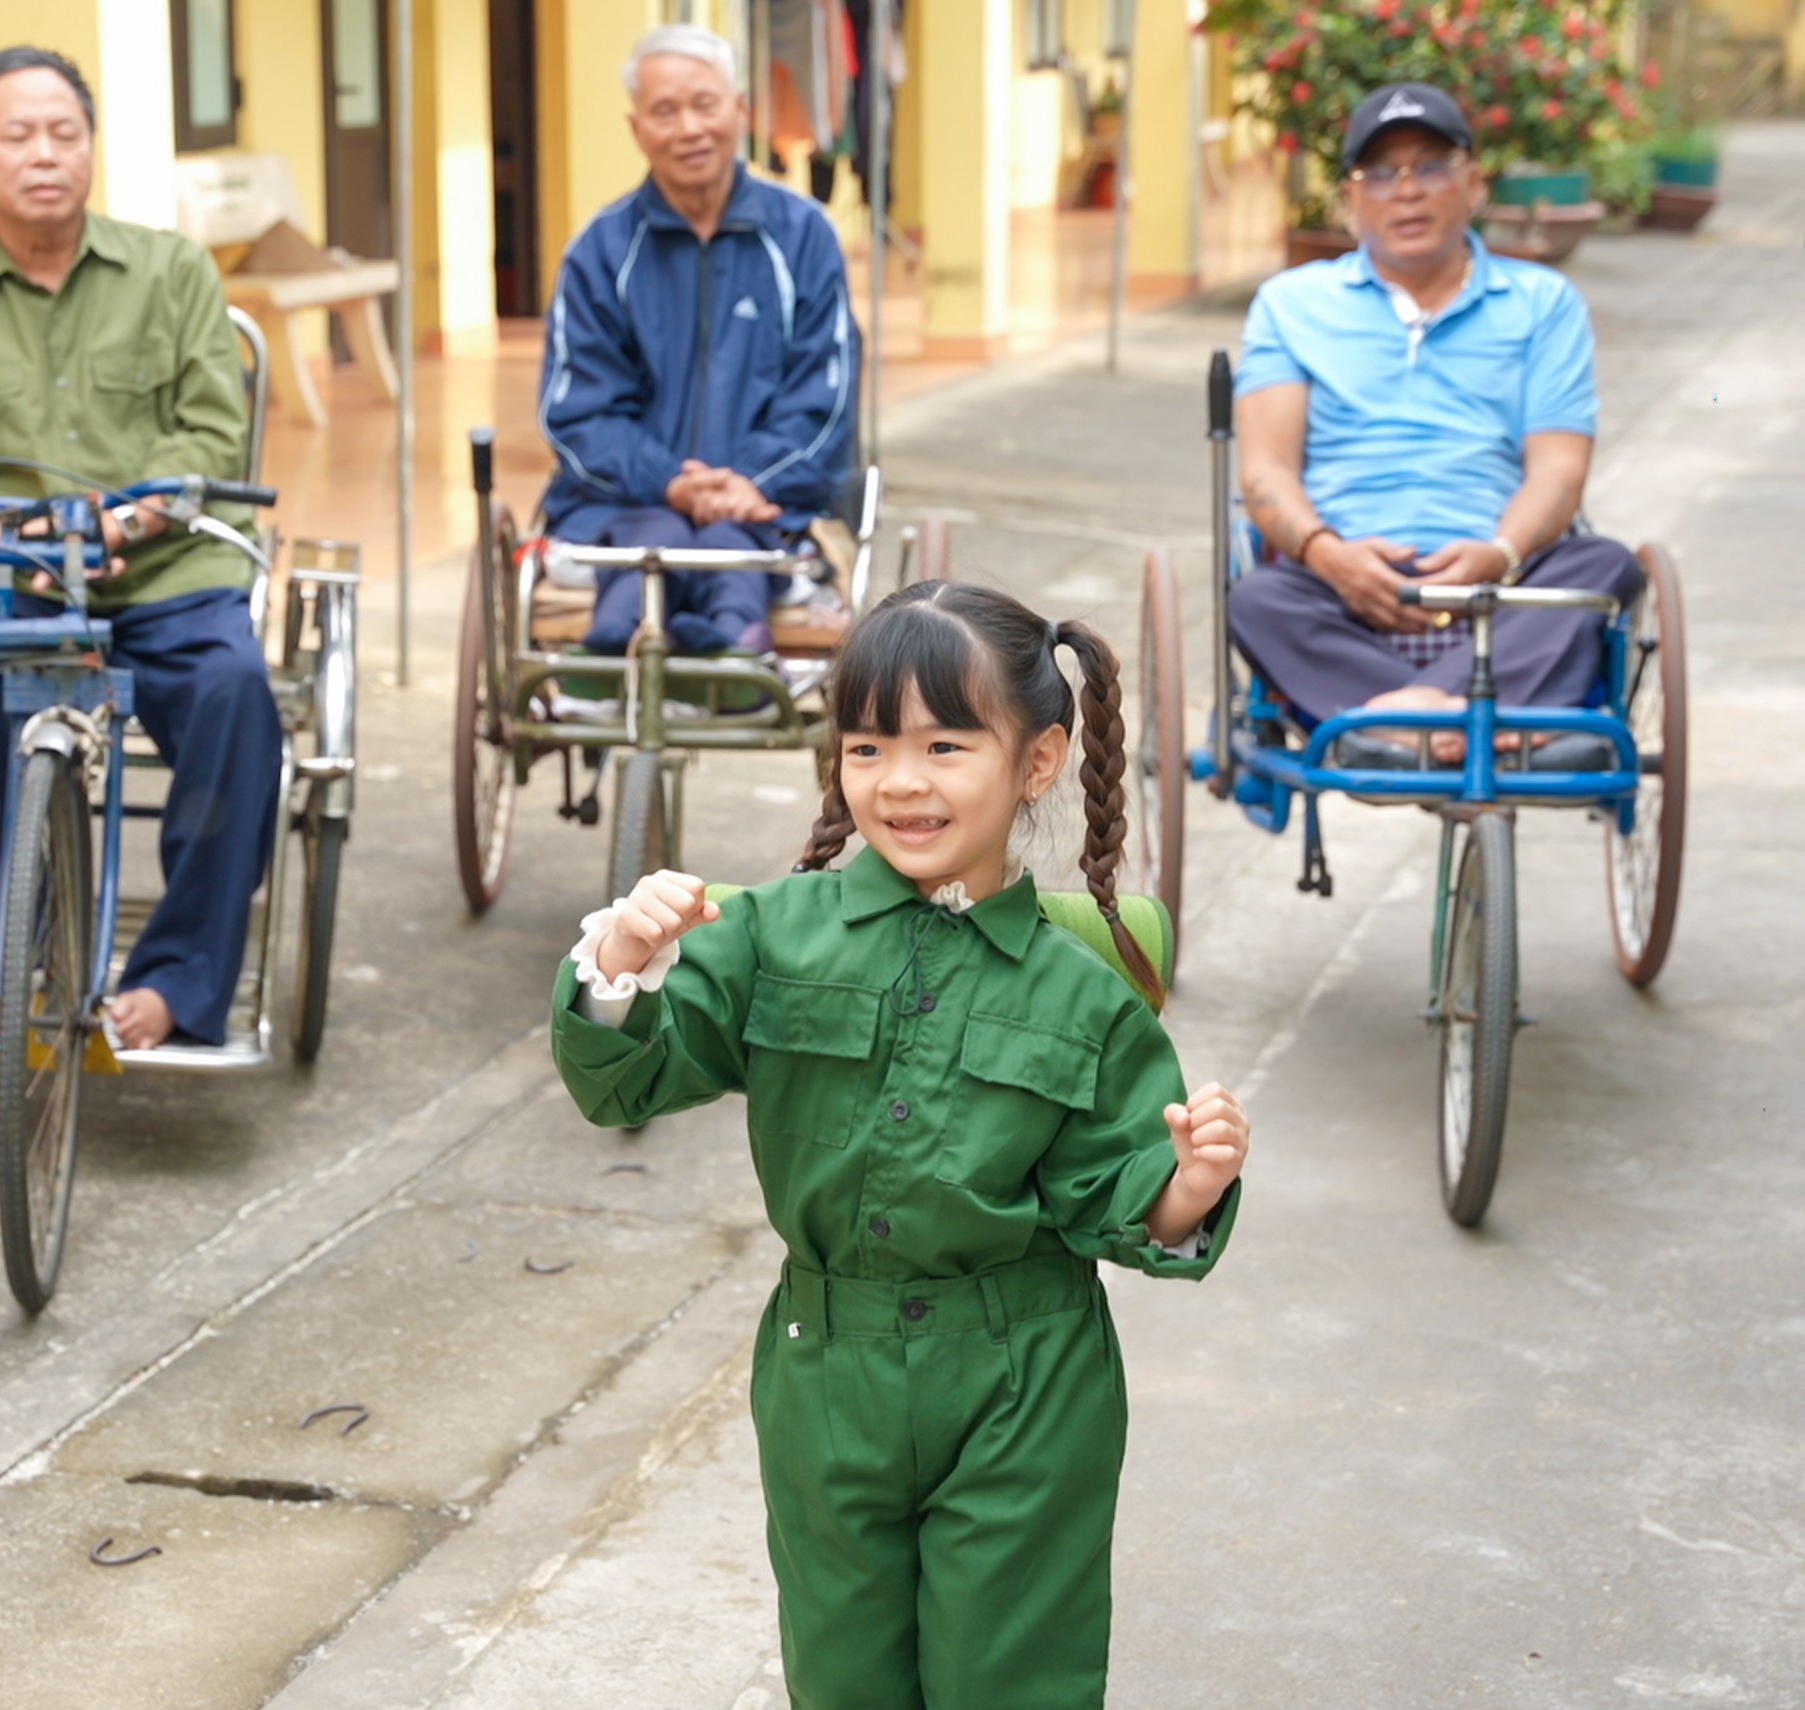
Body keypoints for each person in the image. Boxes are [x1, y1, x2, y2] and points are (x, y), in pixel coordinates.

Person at [550, 580, 1250, 1708]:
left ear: (1036, 762)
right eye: (867, 745)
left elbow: (1118, 1204)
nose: (901, 781)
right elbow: (627, 1075)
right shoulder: (772, 934)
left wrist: (1191, 1181)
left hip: (1025, 1378)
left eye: (943, 744)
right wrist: (624, 966)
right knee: (842, 1678)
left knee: (1009, 1679)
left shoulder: (1085, 993)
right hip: (827, 1367)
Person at [0, 46, 279, 1051]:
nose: (45, 154)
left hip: (165, 573)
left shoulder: (172, 271)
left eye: (66, 132)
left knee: (235, 695)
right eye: (18, 135)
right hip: (7, 581)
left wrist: (124, 521)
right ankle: (4, 961)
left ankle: (179, 979)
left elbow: (208, 433)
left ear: (91, 148)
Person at [1229, 82, 1643, 763]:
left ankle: (1396, 721)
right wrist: (1333, 559)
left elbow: (1560, 468)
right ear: (1351, 197)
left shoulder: (1543, 303)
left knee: (1607, 565)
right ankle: (1486, 716)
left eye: (1430, 166)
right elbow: (1266, 469)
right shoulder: (1290, 305)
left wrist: (1502, 556)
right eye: (1381, 173)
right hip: (1342, 589)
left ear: (1474, 183)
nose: (1407, 190)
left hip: (1503, 590)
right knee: (1258, 597)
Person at [536, 23, 858, 661]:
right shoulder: (599, 252)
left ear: (740, 110)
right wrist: (669, 482)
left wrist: (746, 481)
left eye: (705, 105)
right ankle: (612, 658)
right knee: (650, 545)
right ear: (636, 130)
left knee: (731, 548)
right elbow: (578, 410)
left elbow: (825, 397)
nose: (688, 128)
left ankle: (735, 654)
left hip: (766, 507)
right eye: (665, 111)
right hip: (626, 505)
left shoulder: (803, 238)